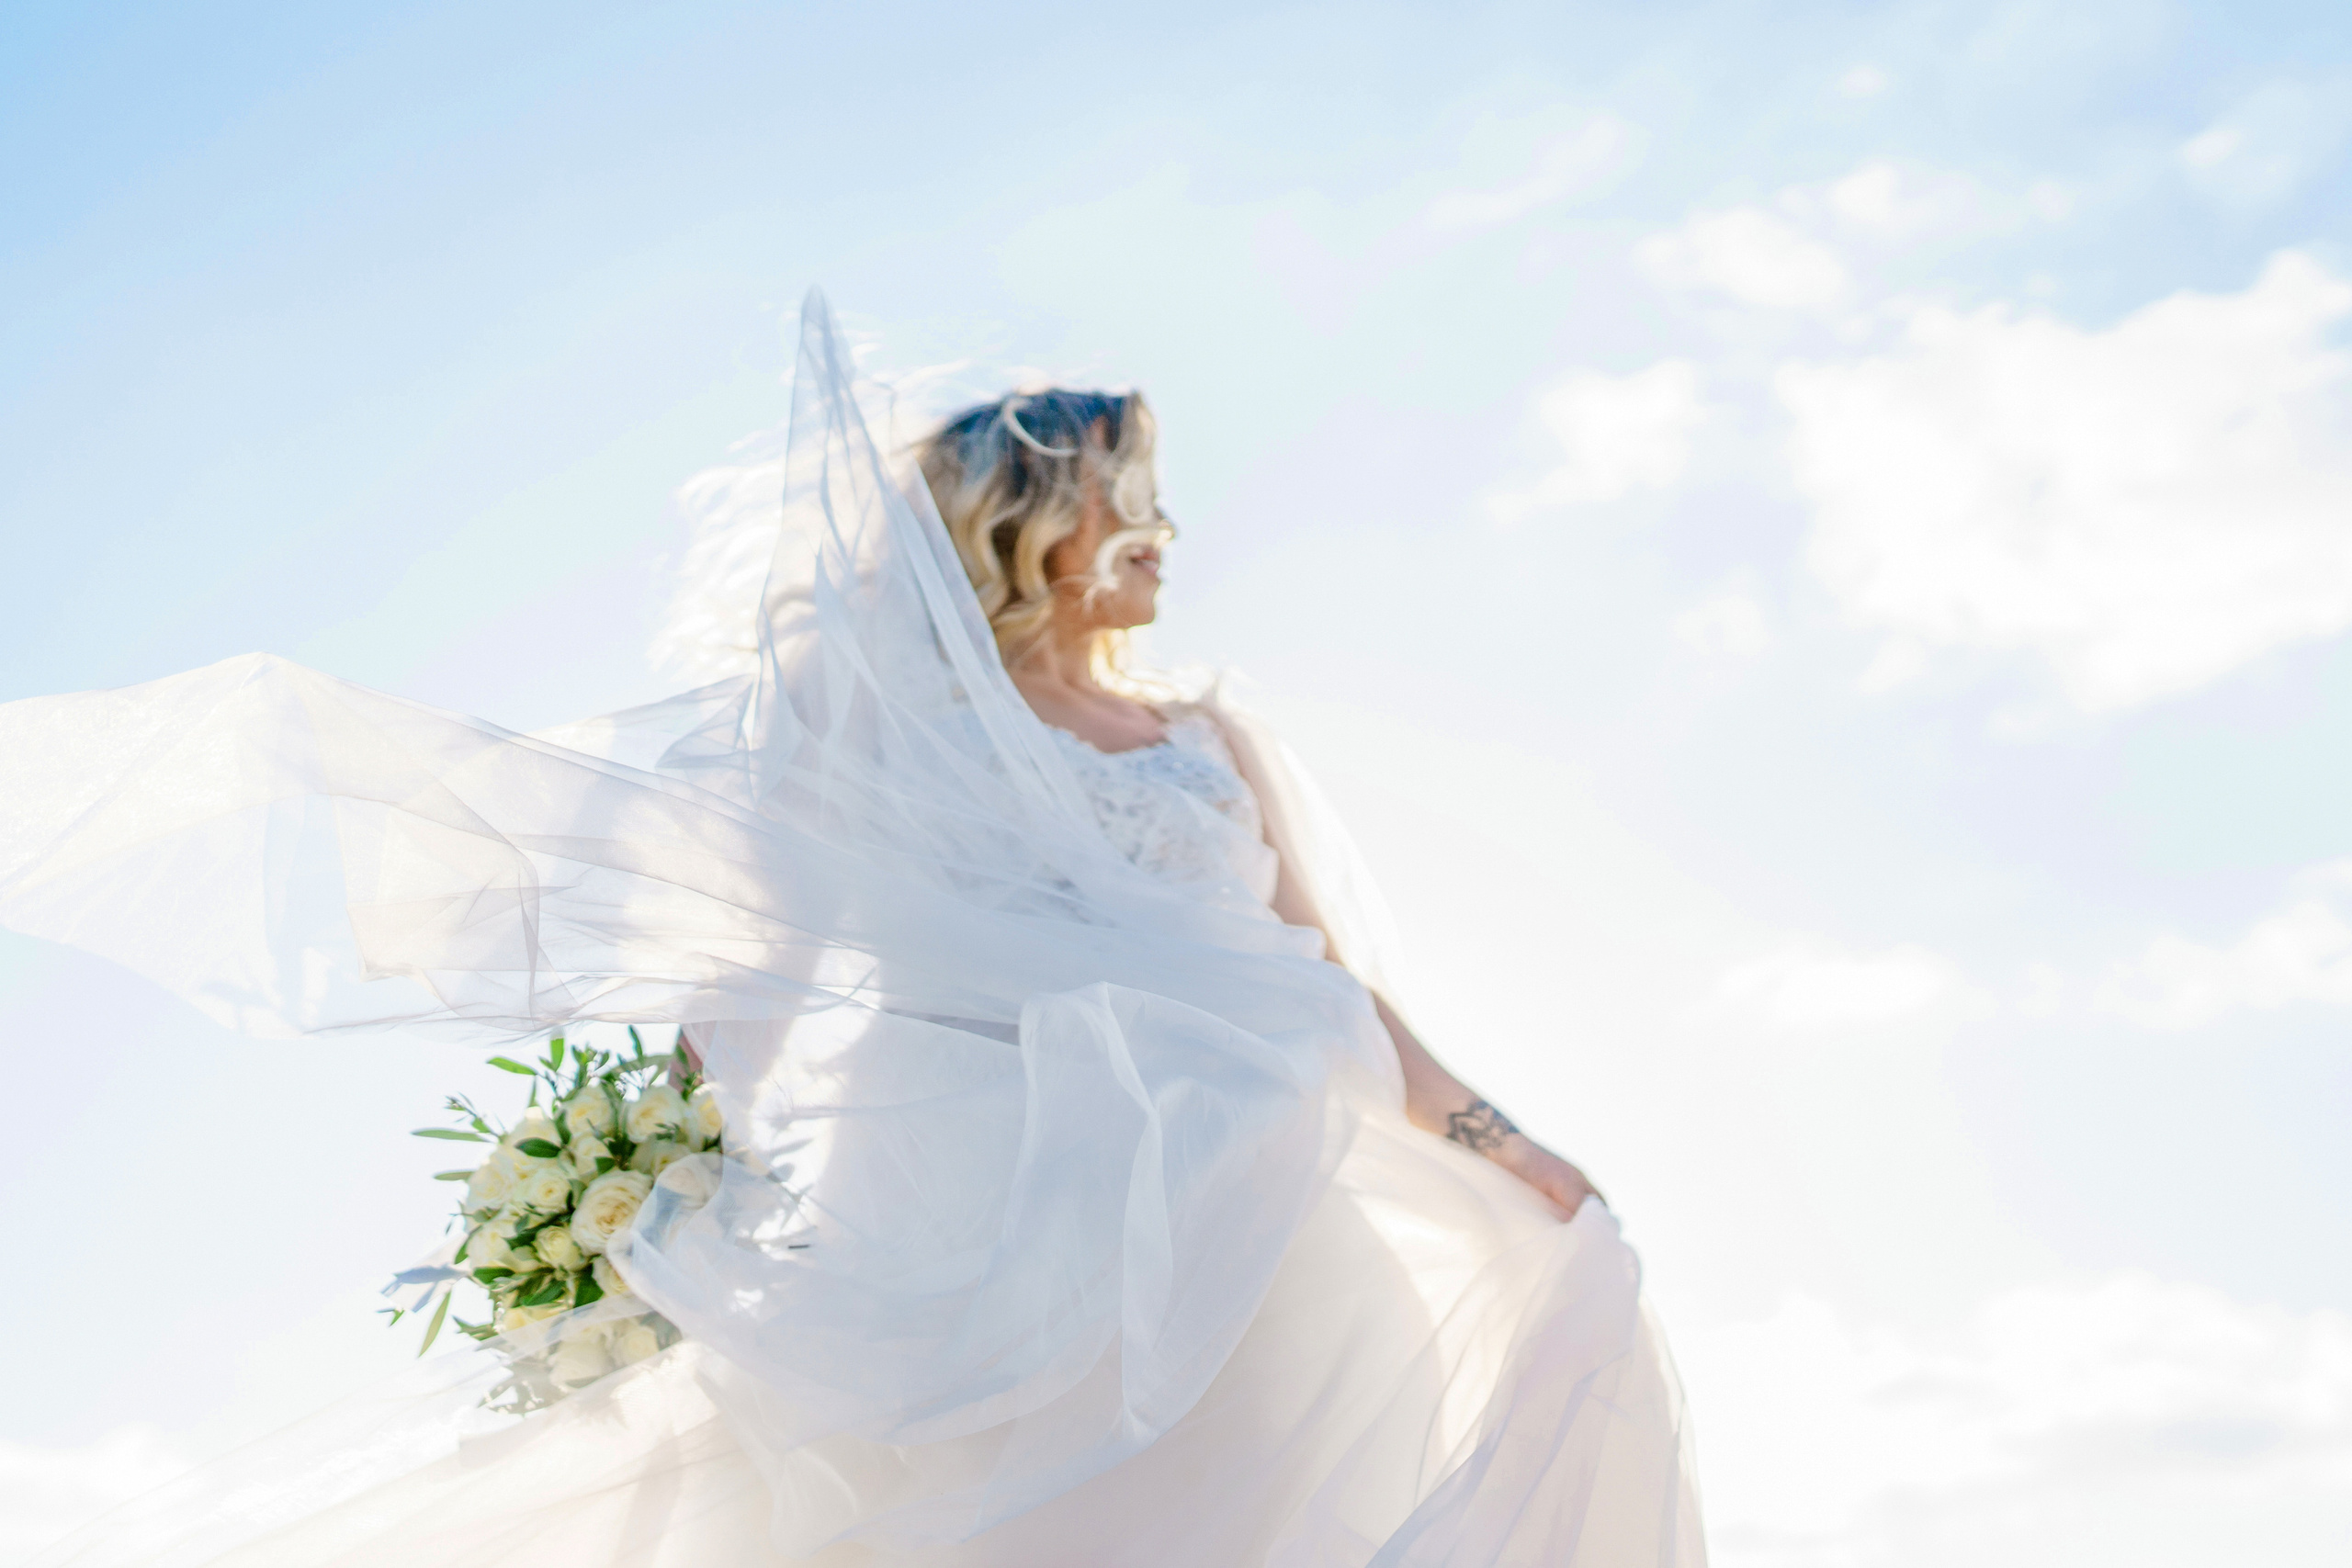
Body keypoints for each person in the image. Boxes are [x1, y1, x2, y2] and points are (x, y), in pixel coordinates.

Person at [1, 293, 1704, 1566]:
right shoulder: (881, 731)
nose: (1168, 531)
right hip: (1008, 1216)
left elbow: (1333, 980)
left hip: (1277, 1214)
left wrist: (1513, 1148)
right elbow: (765, 955)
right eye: (1136, 499)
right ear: (1039, 529)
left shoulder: (1211, 734)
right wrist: (656, 1174)